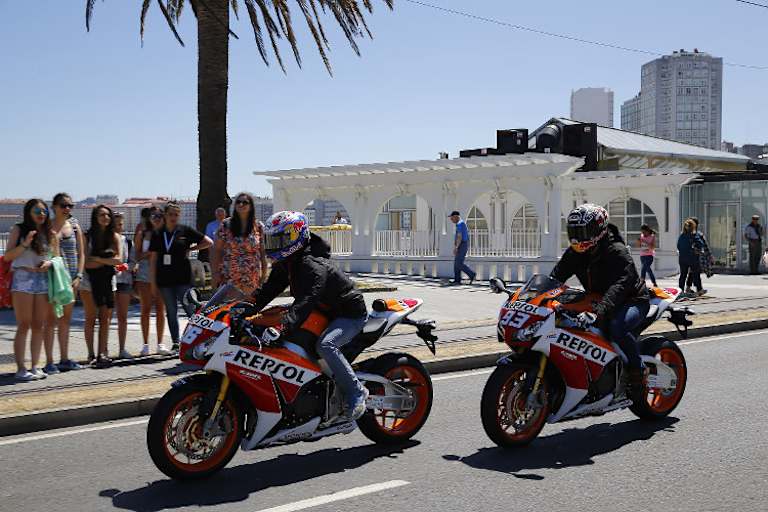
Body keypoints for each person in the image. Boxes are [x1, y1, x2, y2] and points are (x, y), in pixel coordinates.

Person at [248, 211, 369, 420]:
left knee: (325, 345)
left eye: (279, 239)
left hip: (348, 313)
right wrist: (243, 308)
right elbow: (268, 291)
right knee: (273, 324)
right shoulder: (288, 262)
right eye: (271, 239)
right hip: (322, 310)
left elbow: (305, 302)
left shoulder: (312, 265)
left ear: (295, 238)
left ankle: (356, 392)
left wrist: (284, 327)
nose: (273, 245)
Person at [550, 204, 650, 392]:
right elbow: (555, 277)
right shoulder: (575, 252)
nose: (577, 237)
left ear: (599, 229)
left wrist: (601, 309)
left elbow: (622, 284)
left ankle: (638, 369)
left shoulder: (616, 251)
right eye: (574, 231)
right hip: (597, 298)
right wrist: (538, 296)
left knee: (616, 327)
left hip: (632, 300)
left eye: (583, 231)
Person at [5, 199, 58, 381]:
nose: (41, 214)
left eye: (44, 211)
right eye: (37, 211)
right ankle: (21, 368)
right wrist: (25, 243)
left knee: (38, 325)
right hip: (23, 279)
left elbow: (57, 258)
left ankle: (35, 366)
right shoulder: (18, 230)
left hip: (42, 280)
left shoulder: (50, 233)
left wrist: (50, 262)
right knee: (24, 324)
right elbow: (8, 256)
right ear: (29, 212)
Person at [149, 202, 212, 352]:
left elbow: (209, 242)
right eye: (170, 214)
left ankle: (199, 339)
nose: (173, 217)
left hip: (183, 279)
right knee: (171, 312)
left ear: (179, 216)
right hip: (165, 280)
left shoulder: (185, 231)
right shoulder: (158, 234)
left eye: (176, 215)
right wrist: (152, 283)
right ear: (165, 215)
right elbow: (153, 260)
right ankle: (176, 342)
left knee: (191, 310)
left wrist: (192, 248)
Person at [43, 193, 84, 372]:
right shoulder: (46, 227)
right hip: (53, 279)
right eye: (63, 205)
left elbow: (81, 253)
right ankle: (49, 361)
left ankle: (64, 358)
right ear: (54, 207)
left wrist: (79, 276)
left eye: (70, 205)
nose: (67, 208)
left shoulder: (74, 226)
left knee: (65, 320)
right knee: (51, 320)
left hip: (71, 280)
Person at [81, 205, 122, 368]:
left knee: (105, 319)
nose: (105, 217)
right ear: (95, 217)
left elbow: (118, 261)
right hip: (89, 282)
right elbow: (86, 264)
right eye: (101, 215)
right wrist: (105, 261)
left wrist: (97, 259)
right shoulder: (87, 236)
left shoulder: (114, 237)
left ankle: (102, 353)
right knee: (91, 318)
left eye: (107, 215)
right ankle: (91, 353)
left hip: (108, 281)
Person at [211, 192, 268, 295]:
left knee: (248, 307)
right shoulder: (226, 225)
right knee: (230, 308)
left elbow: (263, 252)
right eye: (238, 202)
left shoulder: (258, 226)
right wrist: (215, 273)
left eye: (245, 202)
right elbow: (216, 250)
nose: (241, 205)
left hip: (251, 275)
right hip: (230, 275)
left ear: (251, 206)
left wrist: (264, 273)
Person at [134, 206, 168, 355]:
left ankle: (160, 343)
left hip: (162, 274)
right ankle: (145, 344)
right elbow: (136, 255)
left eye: (159, 216)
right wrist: (149, 253)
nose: (156, 218)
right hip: (144, 274)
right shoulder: (143, 232)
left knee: (161, 310)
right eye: (153, 216)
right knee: (145, 309)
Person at [114, 213, 135, 359]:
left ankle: (122, 348)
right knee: (106, 318)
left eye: (121, 224)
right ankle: (104, 350)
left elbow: (133, 262)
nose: (118, 227)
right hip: (109, 281)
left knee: (123, 316)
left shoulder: (128, 242)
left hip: (124, 281)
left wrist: (125, 266)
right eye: (116, 224)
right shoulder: (106, 240)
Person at [677, 219, 705, 297]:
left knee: (683, 274)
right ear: (693, 227)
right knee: (696, 274)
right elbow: (700, 244)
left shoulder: (681, 236)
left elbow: (678, 246)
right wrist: (696, 250)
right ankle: (699, 290)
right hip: (692, 258)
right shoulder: (694, 235)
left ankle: (680, 290)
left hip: (682, 258)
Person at [449, 210, 476, 285]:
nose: (451, 220)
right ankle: (457, 280)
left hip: (462, 244)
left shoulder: (460, 224)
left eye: (451, 218)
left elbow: (459, 236)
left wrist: (456, 247)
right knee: (456, 263)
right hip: (462, 244)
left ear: (456, 217)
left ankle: (472, 274)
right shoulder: (460, 223)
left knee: (459, 263)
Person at [686, 217, 712, 294]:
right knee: (695, 272)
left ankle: (688, 288)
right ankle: (699, 289)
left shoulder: (690, 234)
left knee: (692, 272)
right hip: (695, 256)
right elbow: (704, 246)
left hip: (693, 256)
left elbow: (704, 246)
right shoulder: (696, 234)